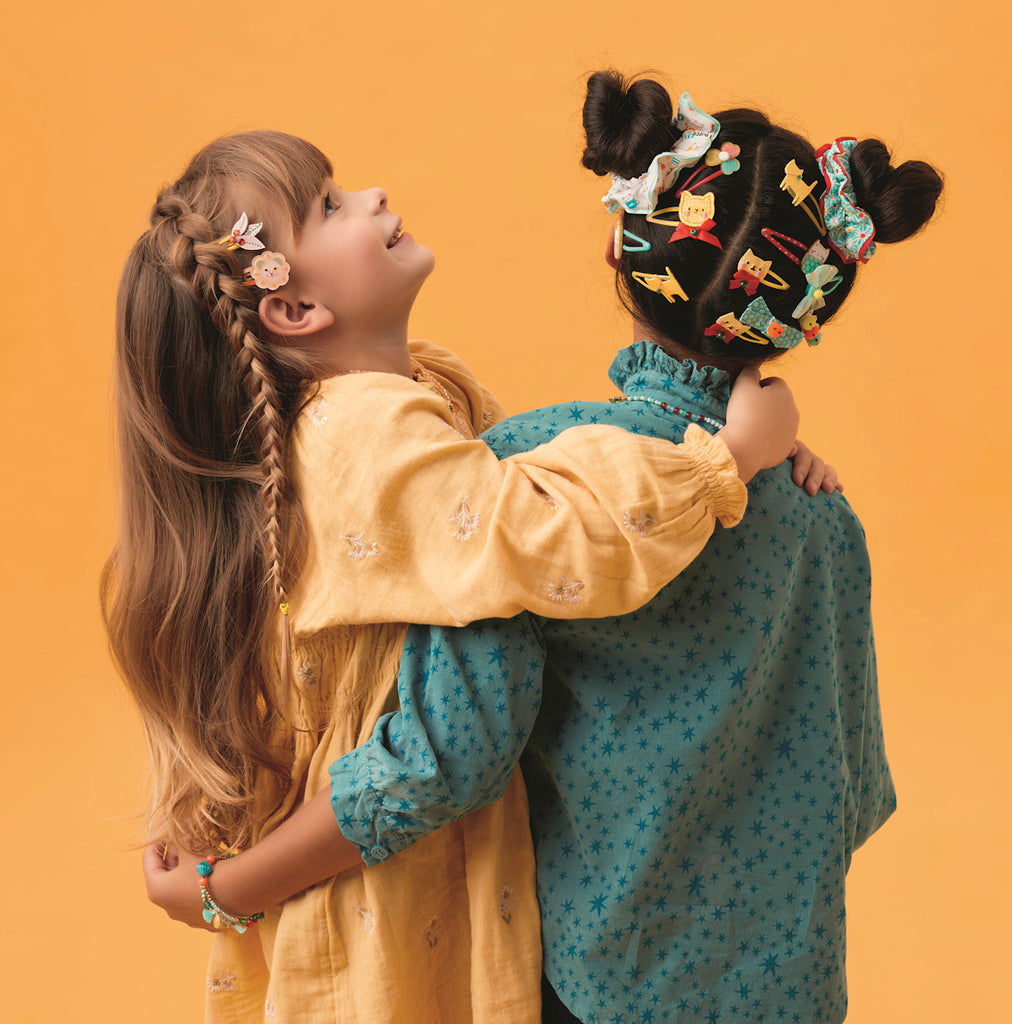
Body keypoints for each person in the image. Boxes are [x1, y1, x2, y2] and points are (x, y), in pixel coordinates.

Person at [145, 72, 942, 1022]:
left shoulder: (521, 470)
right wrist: (736, 457)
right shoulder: (823, 519)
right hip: (790, 984)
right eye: (330, 202)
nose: (373, 196)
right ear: (801, 309)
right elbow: (854, 790)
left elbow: (456, 746)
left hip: (593, 979)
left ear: (619, 243)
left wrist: (228, 886)